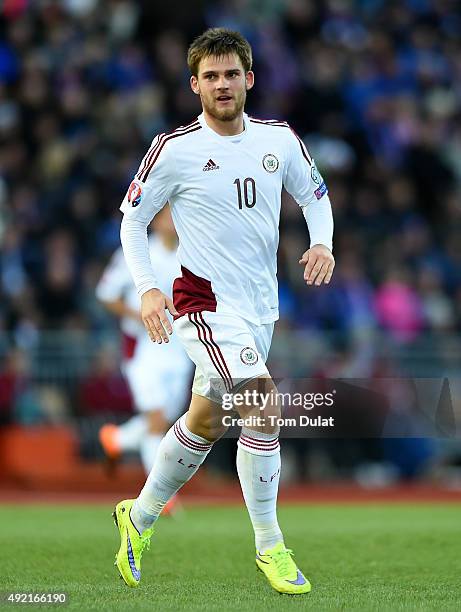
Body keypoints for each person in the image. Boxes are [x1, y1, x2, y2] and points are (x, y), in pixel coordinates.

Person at [113, 28, 334, 595]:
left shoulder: (279, 139)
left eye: (231, 74)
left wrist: (322, 243)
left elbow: (314, 194)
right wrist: (146, 288)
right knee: (260, 401)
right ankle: (271, 546)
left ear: (249, 79)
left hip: (260, 308)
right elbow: (133, 219)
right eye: (210, 76)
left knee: (206, 423)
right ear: (195, 85)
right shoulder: (174, 148)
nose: (222, 84)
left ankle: (135, 521)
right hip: (203, 304)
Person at [96, 207, 192, 483]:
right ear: (157, 219)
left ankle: (116, 438)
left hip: (178, 347)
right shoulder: (138, 252)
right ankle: (159, 494)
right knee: (155, 419)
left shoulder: (191, 253)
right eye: (168, 214)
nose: (174, 220)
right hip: (143, 346)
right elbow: (106, 293)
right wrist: (139, 315)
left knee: (164, 420)